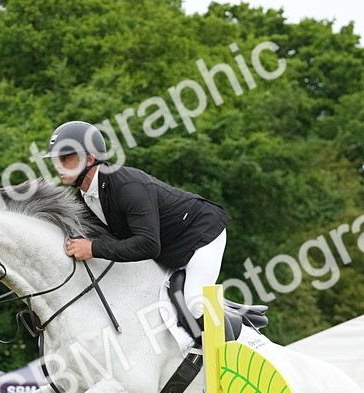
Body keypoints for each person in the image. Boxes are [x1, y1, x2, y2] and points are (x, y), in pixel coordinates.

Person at [47, 121, 231, 331]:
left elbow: (149, 245)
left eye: (66, 158)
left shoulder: (127, 187)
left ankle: (234, 347)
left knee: (194, 303)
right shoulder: (84, 196)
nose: (58, 166)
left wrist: (92, 248)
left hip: (200, 235)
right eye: (56, 160)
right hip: (168, 249)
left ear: (89, 158)